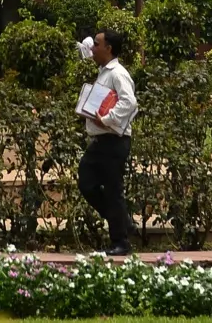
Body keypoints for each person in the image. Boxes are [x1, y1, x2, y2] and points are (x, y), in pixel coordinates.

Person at [75, 27, 138, 256]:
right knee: (86, 182)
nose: (92, 48)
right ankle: (122, 221)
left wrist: (107, 119)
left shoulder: (117, 73)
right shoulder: (104, 73)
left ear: (108, 48)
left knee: (113, 190)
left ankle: (121, 242)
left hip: (114, 140)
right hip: (100, 142)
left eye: (97, 44)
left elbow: (129, 102)